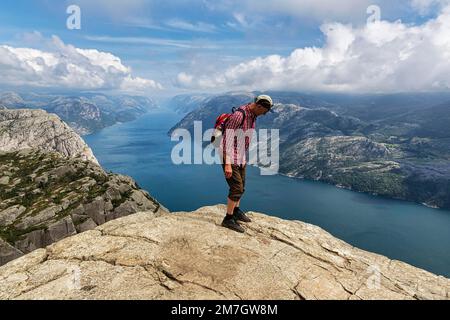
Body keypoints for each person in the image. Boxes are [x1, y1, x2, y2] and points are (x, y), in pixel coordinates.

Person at [220, 95, 273, 233]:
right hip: (229, 155)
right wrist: (227, 164)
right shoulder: (239, 115)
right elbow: (227, 140)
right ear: (259, 106)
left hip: (240, 155)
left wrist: (243, 158)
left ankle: (236, 211)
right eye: (265, 111)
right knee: (236, 187)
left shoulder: (253, 116)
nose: (265, 114)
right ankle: (228, 219)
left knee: (242, 186)